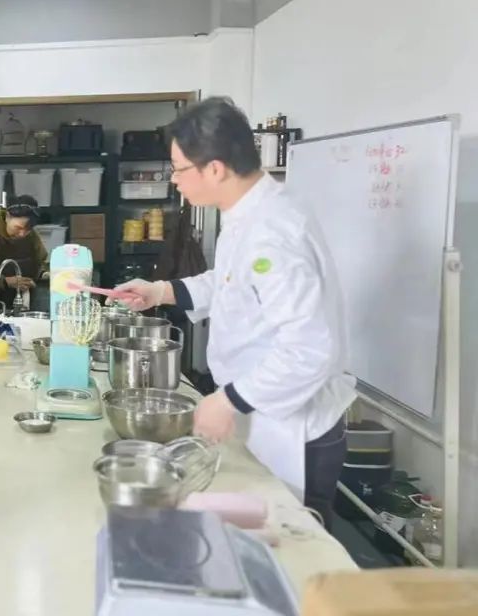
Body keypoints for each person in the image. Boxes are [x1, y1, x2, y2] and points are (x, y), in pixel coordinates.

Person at [116, 97, 354, 526]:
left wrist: (228, 400)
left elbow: (309, 349)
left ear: (214, 169)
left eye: (178, 169)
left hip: (292, 428)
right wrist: (160, 291)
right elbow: (230, 283)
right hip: (262, 414)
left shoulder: (272, 232)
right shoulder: (248, 214)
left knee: (294, 548)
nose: (174, 180)